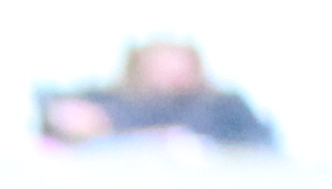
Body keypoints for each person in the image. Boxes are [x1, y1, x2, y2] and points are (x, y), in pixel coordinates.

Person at [39, 38, 272, 147]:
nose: (171, 69)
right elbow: (55, 112)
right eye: (160, 60)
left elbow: (260, 146)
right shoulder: (114, 101)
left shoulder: (224, 106)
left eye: (177, 58)